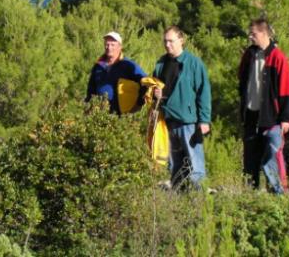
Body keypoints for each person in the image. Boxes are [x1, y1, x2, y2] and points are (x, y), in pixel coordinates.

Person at [238, 19, 289, 194]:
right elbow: (241, 81)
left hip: (272, 119)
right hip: (251, 117)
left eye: (253, 33)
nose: (250, 36)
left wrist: (286, 118)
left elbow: (287, 89)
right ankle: (250, 195)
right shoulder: (249, 55)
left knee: (272, 160)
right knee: (250, 161)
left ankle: (279, 195)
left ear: (264, 33)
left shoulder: (278, 57)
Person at [153, 26, 211, 190]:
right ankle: (179, 200)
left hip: (189, 123)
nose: (167, 45)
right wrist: (155, 94)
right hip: (168, 122)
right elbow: (154, 87)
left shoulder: (194, 63)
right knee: (174, 166)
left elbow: (204, 92)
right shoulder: (161, 63)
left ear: (181, 40)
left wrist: (204, 120)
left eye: (171, 41)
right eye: (165, 41)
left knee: (195, 166)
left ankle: (200, 199)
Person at [86, 31, 147, 115]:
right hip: (100, 115)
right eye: (107, 44)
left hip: (122, 116)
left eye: (112, 45)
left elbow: (145, 82)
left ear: (120, 47)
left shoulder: (127, 65)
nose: (109, 47)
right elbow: (91, 90)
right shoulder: (98, 66)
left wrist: (139, 104)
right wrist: (88, 108)